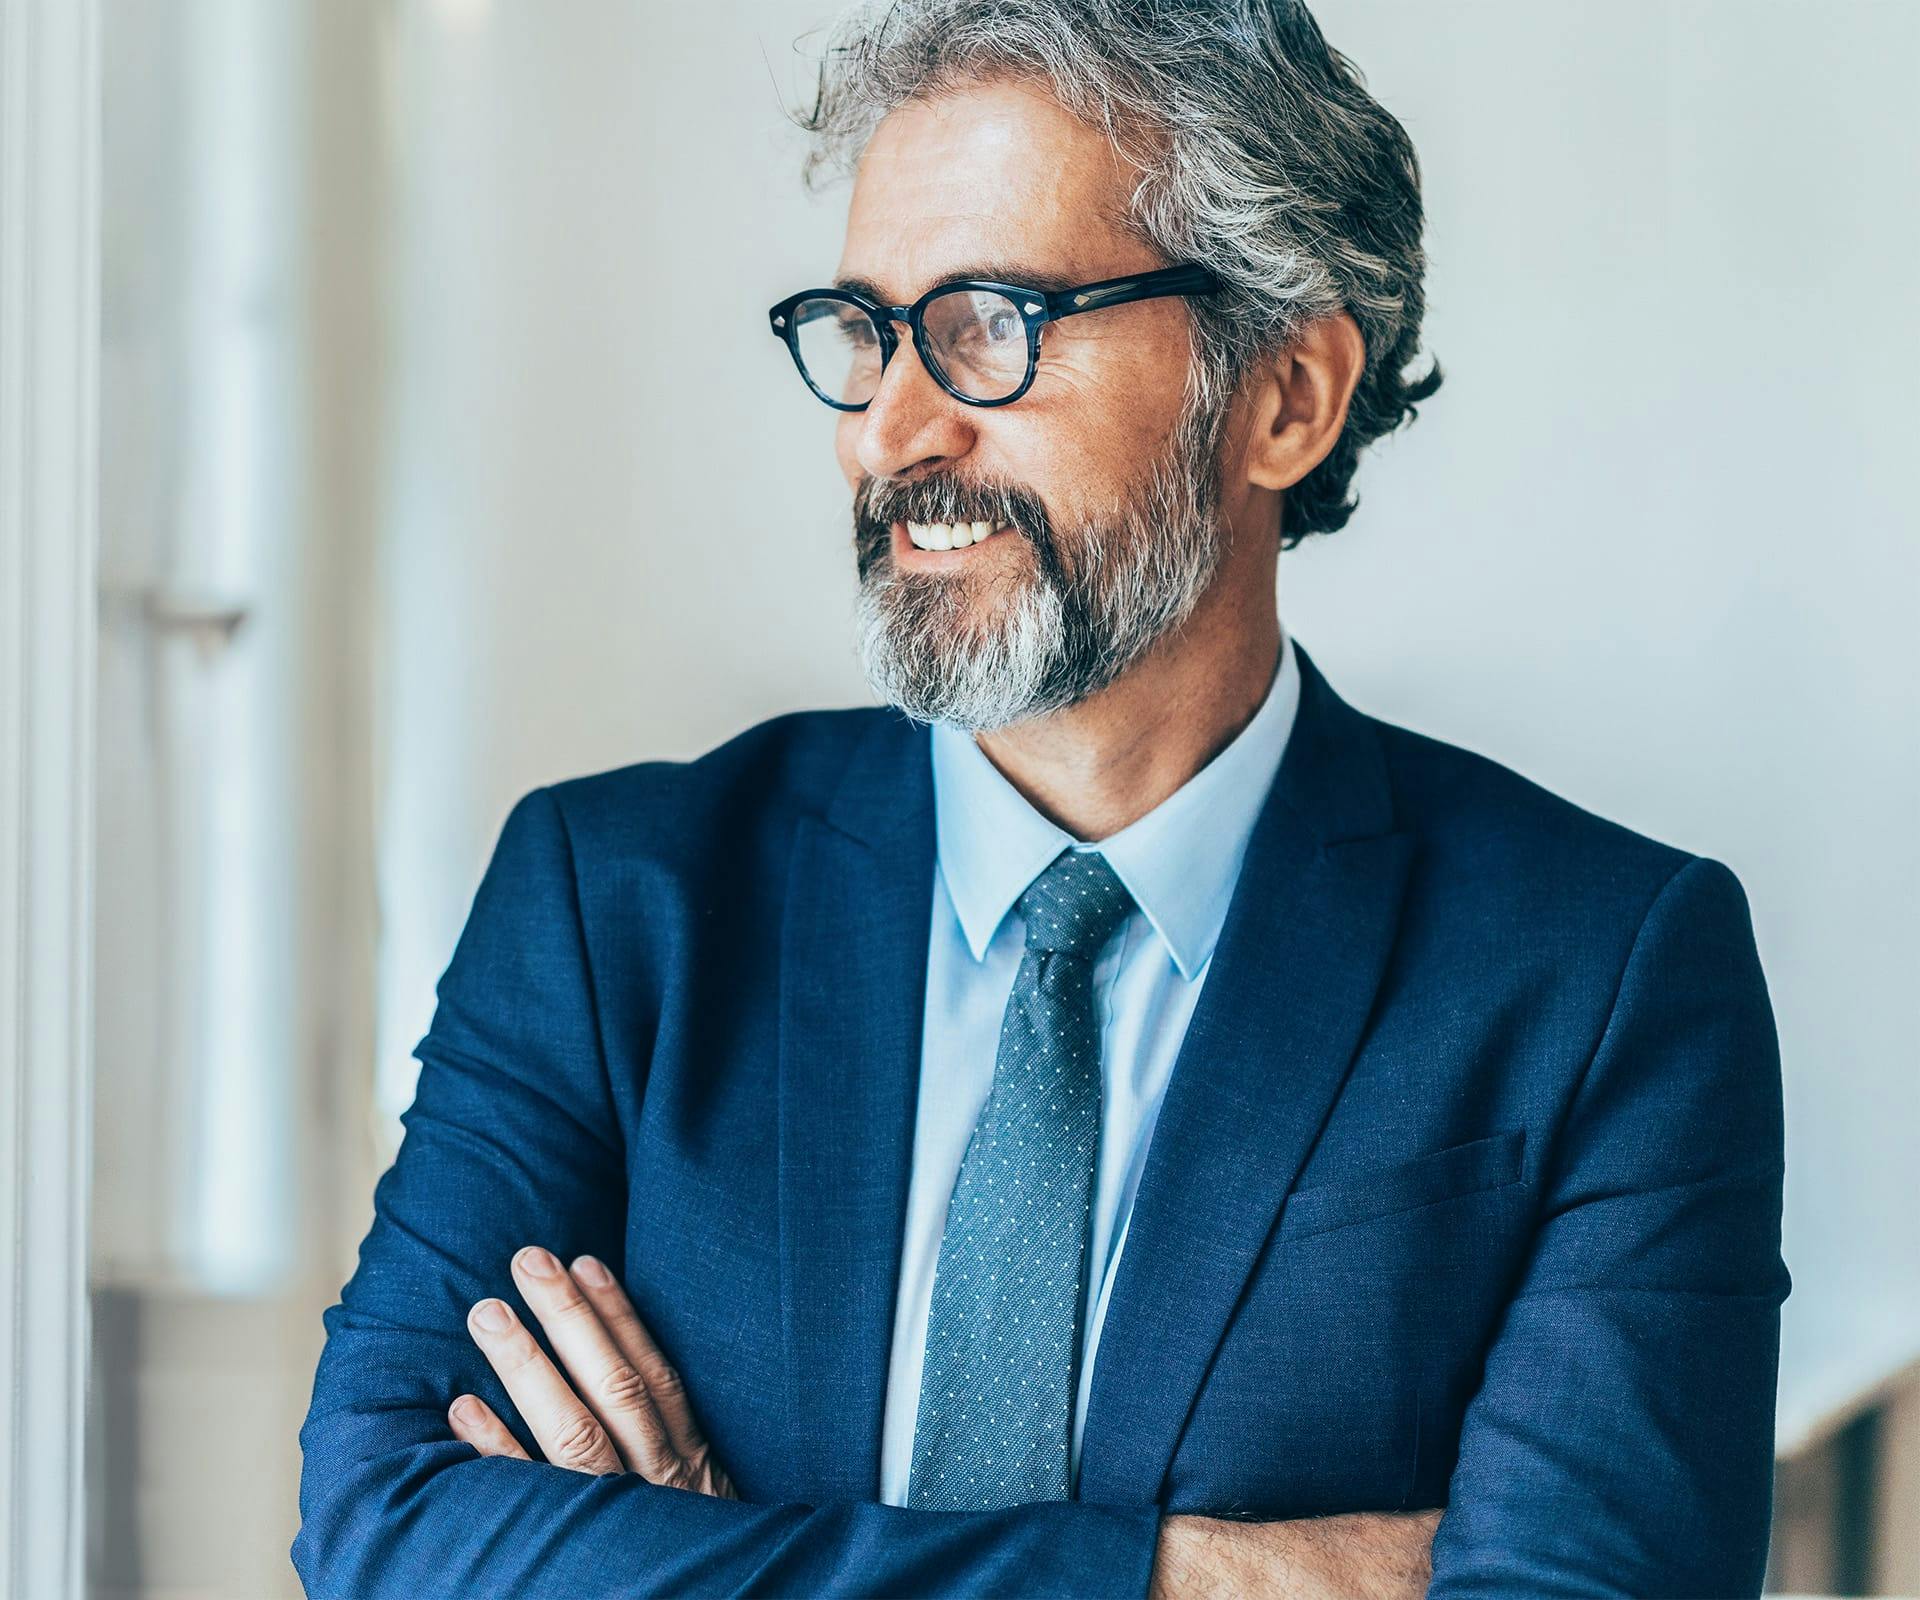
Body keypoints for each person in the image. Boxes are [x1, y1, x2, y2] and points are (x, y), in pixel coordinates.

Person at [293, 2, 1790, 1594]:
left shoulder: (1609, 974)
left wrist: (720, 1557)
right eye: (866, 330)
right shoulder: (616, 905)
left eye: (992, 323)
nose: (890, 429)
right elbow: (387, 1526)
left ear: (1286, 393)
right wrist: (1196, 1577)